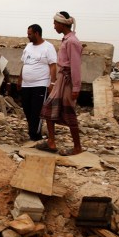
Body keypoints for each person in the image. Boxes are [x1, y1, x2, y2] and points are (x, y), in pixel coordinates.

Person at [38, 11, 83, 155]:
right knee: (48, 109)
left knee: (69, 112)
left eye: (55, 23)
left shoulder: (72, 42)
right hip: (61, 80)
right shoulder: (66, 40)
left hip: (68, 82)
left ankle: (77, 147)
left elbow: (75, 65)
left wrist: (76, 87)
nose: (54, 26)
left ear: (62, 24)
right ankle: (51, 141)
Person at [18, 24, 57, 142]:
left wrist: (52, 83)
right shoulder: (28, 46)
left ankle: (35, 136)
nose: (28, 36)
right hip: (26, 84)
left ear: (36, 33)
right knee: (27, 109)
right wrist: (20, 79)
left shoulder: (48, 47)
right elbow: (24, 64)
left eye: (29, 34)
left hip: (40, 84)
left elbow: (53, 66)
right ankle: (33, 131)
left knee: (37, 111)